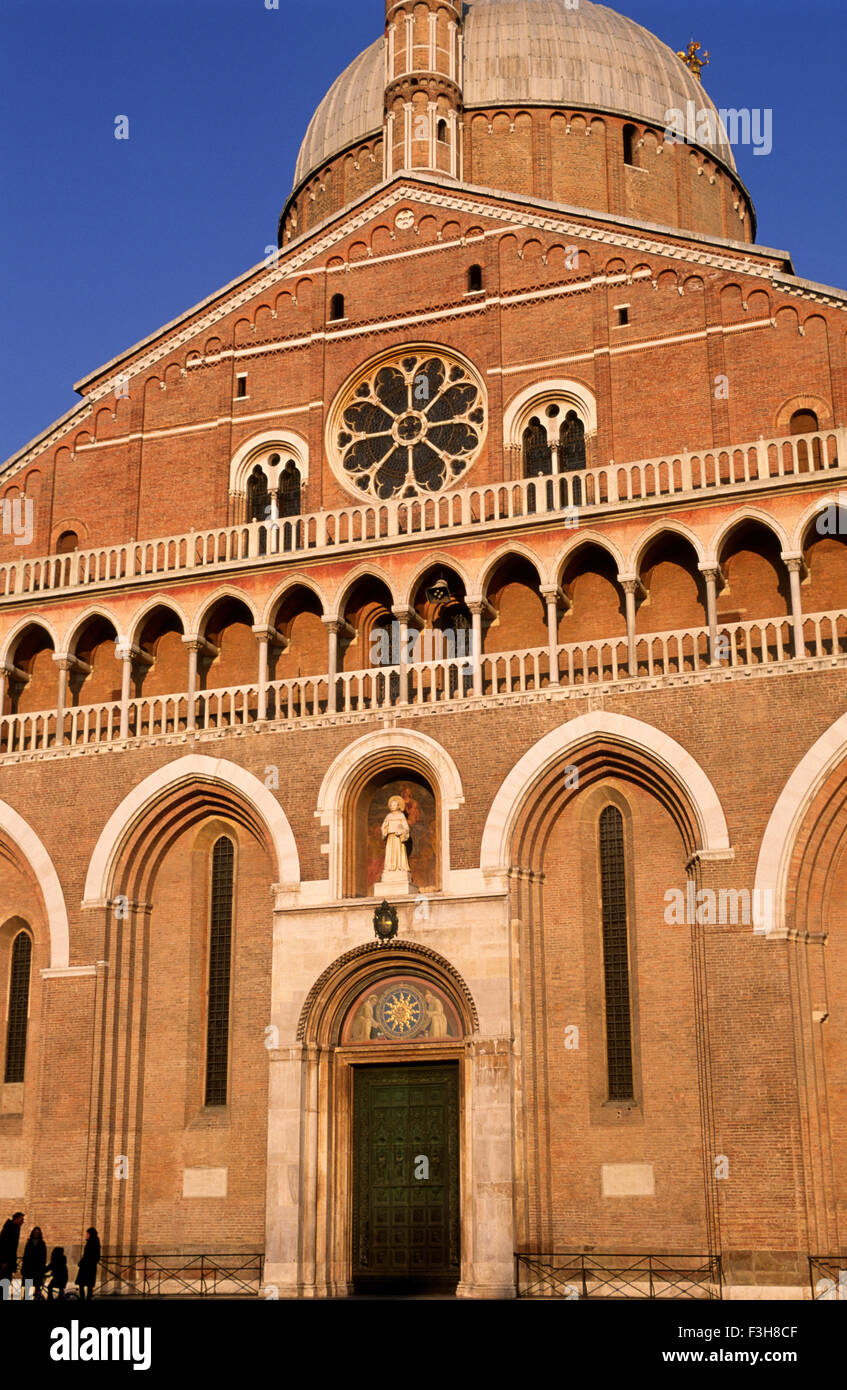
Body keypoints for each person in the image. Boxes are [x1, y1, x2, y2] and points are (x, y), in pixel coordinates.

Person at [21, 1226, 47, 1299]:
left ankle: (37, 1297)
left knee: (37, 1286)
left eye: (38, 1233)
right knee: (27, 1286)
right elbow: (25, 1256)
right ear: (33, 1233)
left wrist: (43, 1268)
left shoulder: (42, 1243)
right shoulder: (29, 1243)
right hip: (29, 1268)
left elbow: (44, 1257)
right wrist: (24, 1268)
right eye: (35, 1232)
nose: (36, 1234)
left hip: (38, 1268)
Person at [76, 1228, 100, 1300]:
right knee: (88, 1285)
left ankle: (82, 1297)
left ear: (91, 1234)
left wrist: (81, 1263)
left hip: (86, 1267)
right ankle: (87, 1297)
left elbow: (87, 1255)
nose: (86, 1235)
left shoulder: (92, 1243)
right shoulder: (95, 1242)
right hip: (90, 1267)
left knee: (82, 1284)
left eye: (87, 1234)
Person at [0, 1212, 24, 1281]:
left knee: (6, 1281)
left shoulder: (13, 1229)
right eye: (21, 1220)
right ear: (16, 1219)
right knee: (4, 1281)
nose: (22, 1222)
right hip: (6, 1262)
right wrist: (4, 1261)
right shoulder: (9, 1229)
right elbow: (4, 1246)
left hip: (8, 1262)